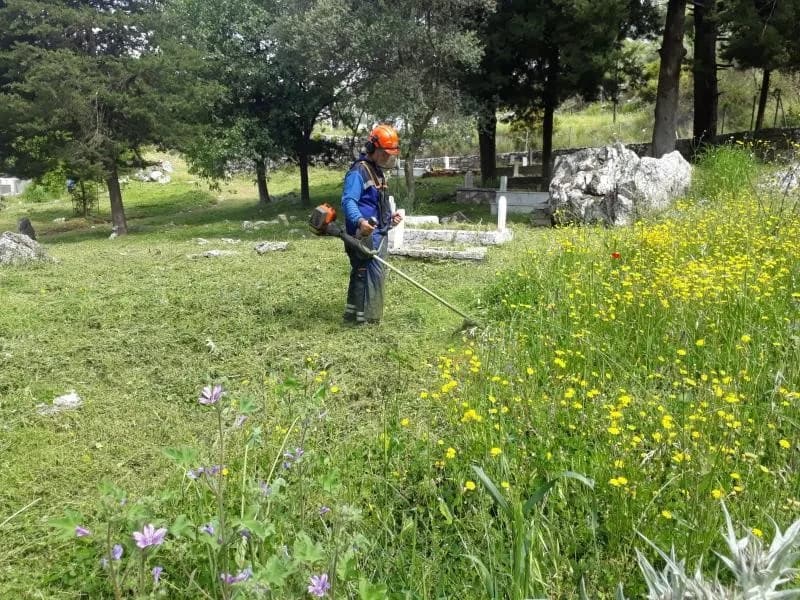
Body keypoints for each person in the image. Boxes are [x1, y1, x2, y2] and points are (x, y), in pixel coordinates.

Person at [340, 124, 404, 325]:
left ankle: (359, 316)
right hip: (363, 235)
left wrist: (389, 219)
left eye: (390, 155)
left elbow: (375, 203)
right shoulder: (359, 171)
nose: (388, 158)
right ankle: (365, 320)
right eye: (385, 154)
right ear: (371, 148)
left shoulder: (377, 171)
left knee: (370, 276)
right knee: (365, 275)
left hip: (378, 234)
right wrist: (360, 221)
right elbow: (348, 201)